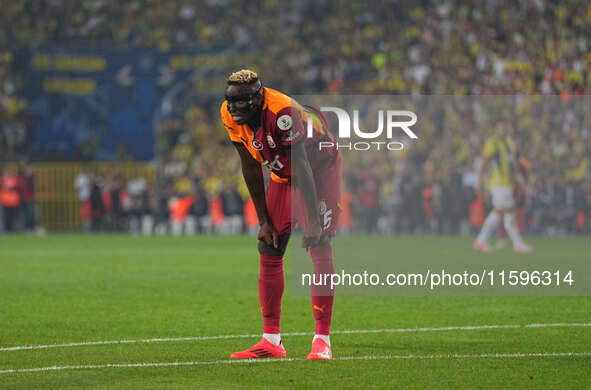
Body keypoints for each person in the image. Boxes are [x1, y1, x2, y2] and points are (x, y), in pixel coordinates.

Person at [220, 69, 341, 360]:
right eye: (230, 102)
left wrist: (313, 222)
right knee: (269, 244)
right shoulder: (228, 113)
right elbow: (249, 165)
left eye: (241, 103)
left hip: (318, 168)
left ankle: (322, 340)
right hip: (283, 171)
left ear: (259, 98)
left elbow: (302, 166)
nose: (234, 109)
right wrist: (263, 220)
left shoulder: (282, 112)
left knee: (319, 242)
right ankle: (271, 340)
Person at [473, 121, 532, 253]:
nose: (503, 130)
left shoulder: (510, 143)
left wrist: (518, 179)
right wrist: (480, 181)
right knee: (508, 213)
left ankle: (480, 242)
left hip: (507, 184)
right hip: (497, 183)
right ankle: (518, 244)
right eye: (500, 128)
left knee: (499, 214)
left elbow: (514, 163)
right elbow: (484, 163)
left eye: (505, 127)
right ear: (496, 129)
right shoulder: (492, 143)